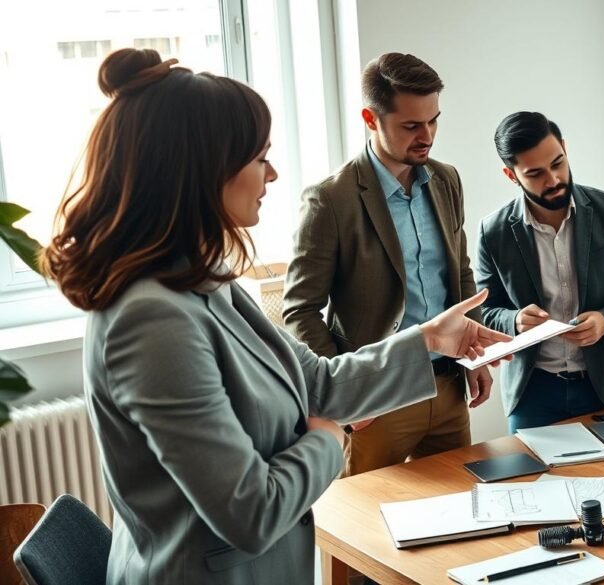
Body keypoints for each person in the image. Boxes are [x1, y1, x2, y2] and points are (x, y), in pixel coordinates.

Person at [40, 48, 507, 585]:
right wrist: (328, 441)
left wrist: (428, 339)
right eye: (260, 157)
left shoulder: (208, 279)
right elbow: (251, 511)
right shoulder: (149, 319)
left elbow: (315, 381)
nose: (274, 173)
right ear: (203, 170)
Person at [283, 53, 489, 476]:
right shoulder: (330, 200)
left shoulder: (447, 180)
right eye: (411, 126)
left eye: (433, 121)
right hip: (377, 398)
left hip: (448, 386)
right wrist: (344, 394)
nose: (427, 136)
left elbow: (460, 274)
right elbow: (300, 310)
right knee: (367, 514)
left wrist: (477, 356)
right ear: (370, 119)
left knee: (465, 503)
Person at [476, 112, 604, 432]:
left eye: (557, 163)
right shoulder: (494, 231)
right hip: (533, 392)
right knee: (529, 467)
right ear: (511, 175)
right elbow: (483, 310)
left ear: (564, 148)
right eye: (535, 173)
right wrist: (515, 320)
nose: (553, 180)